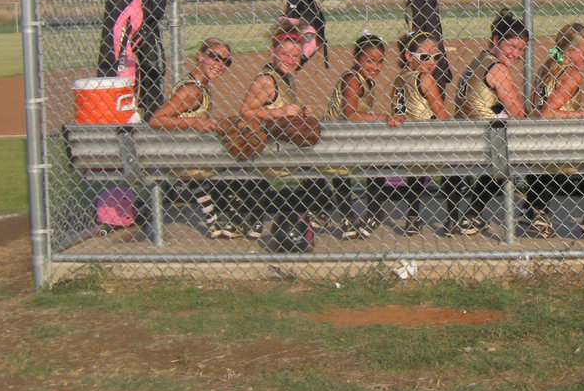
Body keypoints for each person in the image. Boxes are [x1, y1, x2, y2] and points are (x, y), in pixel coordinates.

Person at [148, 38, 238, 238]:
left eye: (226, 61)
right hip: (182, 158)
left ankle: (214, 223)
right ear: (200, 56)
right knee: (242, 158)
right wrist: (195, 123)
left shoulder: (200, 85)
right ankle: (241, 220)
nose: (220, 64)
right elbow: (157, 120)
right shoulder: (192, 90)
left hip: (185, 154)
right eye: (215, 57)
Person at [524, 23, 584, 238]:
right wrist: (583, 114)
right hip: (559, 142)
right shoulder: (572, 74)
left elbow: (539, 111)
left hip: (534, 141)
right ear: (569, 52)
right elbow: (547, 113)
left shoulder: (549, 63)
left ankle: (537, 209)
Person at [450, 11, 529, 236]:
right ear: (496, 40)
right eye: (511, 46)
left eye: (521, 49)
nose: (516, 54)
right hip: (483, 138)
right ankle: (535, 208)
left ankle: (471, 213)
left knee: (504, 142)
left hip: (466, 133)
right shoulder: (498, 68)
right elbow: (519, 113)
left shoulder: (478, 60)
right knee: (524, 142)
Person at [238, 27, 319, 242]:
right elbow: (245, 112)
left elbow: (282, 107)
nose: (291, 60)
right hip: (268, 144)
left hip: (282, 141)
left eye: (296, 56)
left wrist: (300, 112)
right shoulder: (267, 79)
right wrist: (279, 112)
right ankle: (312, 211)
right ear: (273, 52)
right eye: (285, 54)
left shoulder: (286, 77)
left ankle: (309, 211)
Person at [322, 32, 399, 240]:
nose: (376, 66)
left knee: (375, 161)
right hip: (334, 136)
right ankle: (354, 216)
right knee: (351, 168)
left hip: (347, 136)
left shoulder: (366, 80)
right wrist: (383, 117)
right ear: (356, 59)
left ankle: (368, 213)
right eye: (369, 61)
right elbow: (351, 114)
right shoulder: (353, 79)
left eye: (380, 61)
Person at [383, 30, 451, 235]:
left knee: (417, 170)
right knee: (454, 162)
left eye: (436, 57)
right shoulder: (425, 78)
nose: (432, 62)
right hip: (426, 138)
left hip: (405, 141)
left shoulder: (399, 78)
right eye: (425, 57)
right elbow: (441, 114)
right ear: (409, 56)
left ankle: (413, 216)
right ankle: (454, 218)